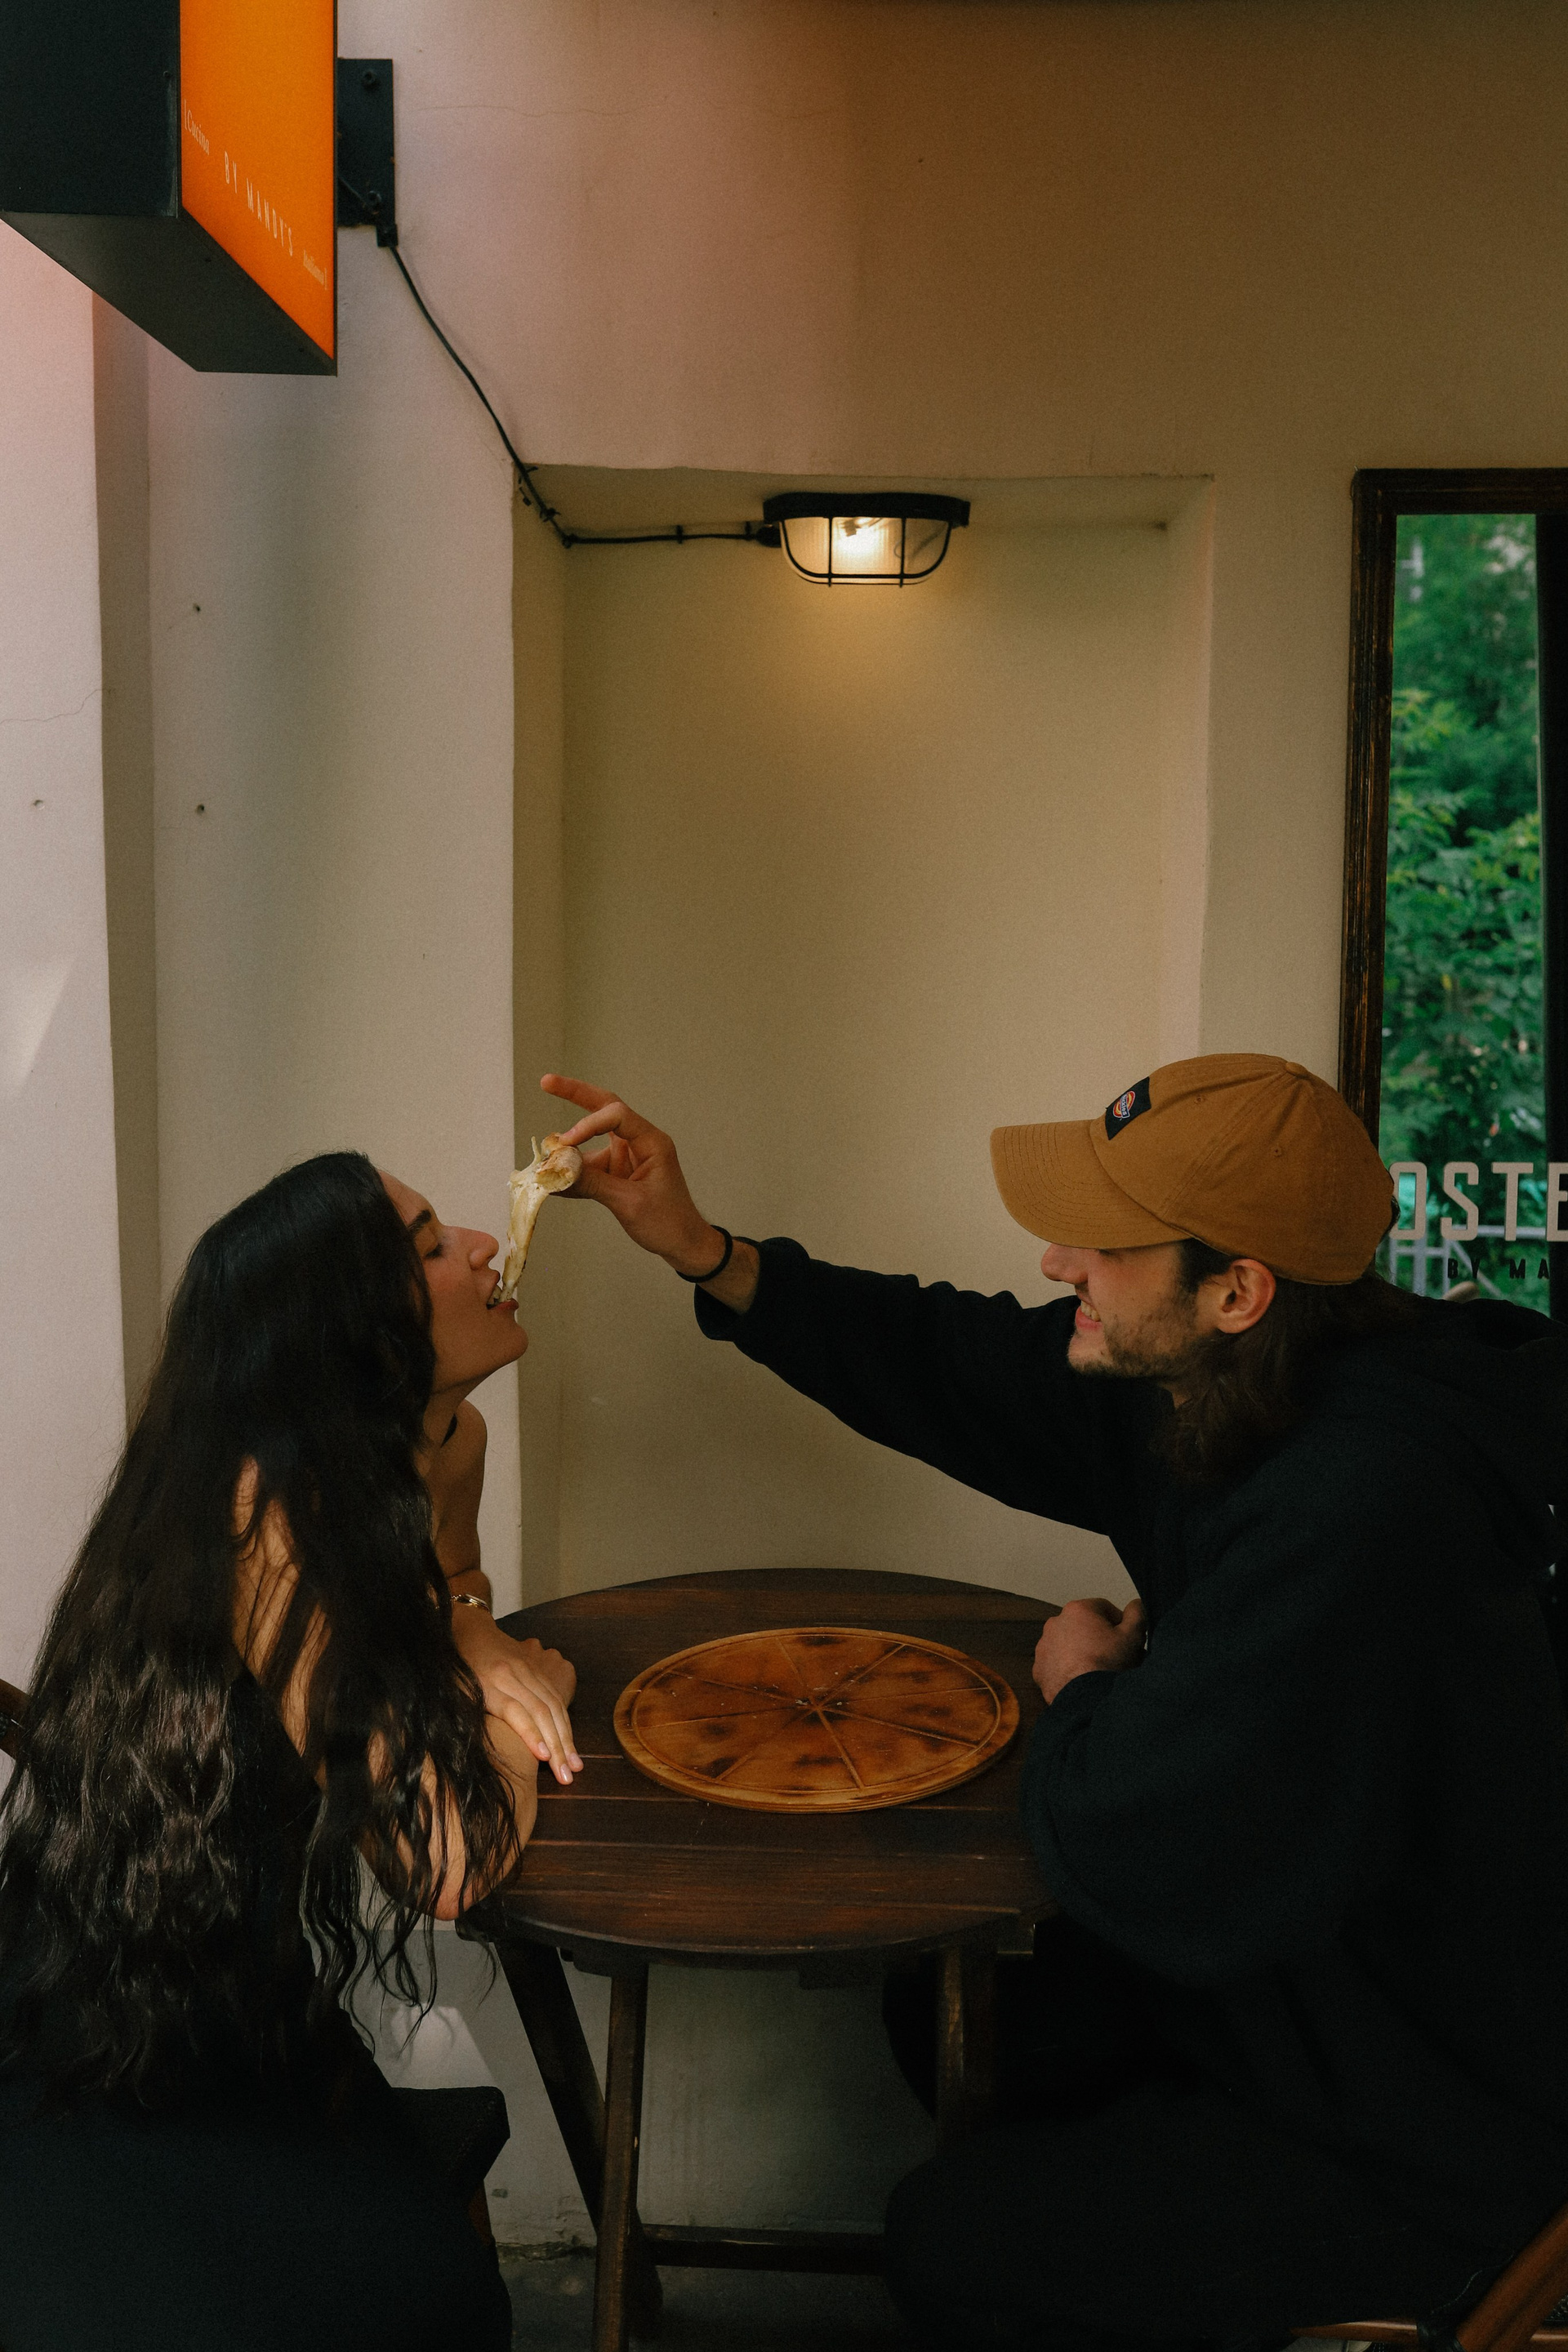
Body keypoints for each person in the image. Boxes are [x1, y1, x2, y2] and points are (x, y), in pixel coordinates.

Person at [537, 1055, 1568, 2352]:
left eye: (1105, 1244)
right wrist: (707, 1251)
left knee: (951, 2243)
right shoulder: (1252, 1374)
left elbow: (1134, 1829)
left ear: (1237, 1289)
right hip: (1302, 1964)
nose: (1054, 1261)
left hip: (1428, 2109)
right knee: (949, 2006)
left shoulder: (1363, 1503)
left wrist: (1081, 1682)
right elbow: (964, 1362)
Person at [0, 1152, 581, 2352]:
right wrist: (529, 1709)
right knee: (432, 2307)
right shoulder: (275, 1516)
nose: (483, 1244)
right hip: (119, 2029)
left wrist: (477, 1633)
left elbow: (448, 1587)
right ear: (350, 1331)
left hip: (253, 1990)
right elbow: (448, 1863)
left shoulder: (443, 1443)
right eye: (429, 1245)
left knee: (428, 2291)